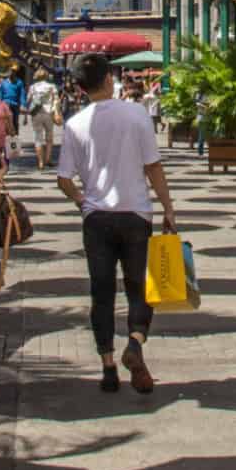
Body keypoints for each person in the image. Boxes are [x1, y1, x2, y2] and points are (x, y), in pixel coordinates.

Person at [55, 53, 176, 395]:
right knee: (140, 287)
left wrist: (82, 202)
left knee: (102, 292)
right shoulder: (137, 114)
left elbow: (63, 179)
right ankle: (135, 343)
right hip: (136, 213)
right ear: (110, 79)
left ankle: (108, 367)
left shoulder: (75, 124)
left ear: (79, 88)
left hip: (97, 218)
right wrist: (168, 207)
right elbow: (153, 166)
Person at [25, 68, 60, 171]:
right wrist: (56, 111)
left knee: (38, 137)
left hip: (36, 113)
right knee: (49, 137)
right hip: (48, 113)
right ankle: (48, 159)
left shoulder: (33, 87)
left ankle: (40, 162)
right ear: (46, 76)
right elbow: (56, 100)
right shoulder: (51, 86)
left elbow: (28, 100)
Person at [0, 69, 25, 143]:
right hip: (5, 105)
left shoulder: (19, 82)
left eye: (12, 72)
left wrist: (23, 104)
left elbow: (22, 94)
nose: (10, 74)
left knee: (15, 123)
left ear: (15, 73)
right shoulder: (3, 83)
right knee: (6, 123)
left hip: (15, 105)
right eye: (9, 72)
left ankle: (15, 141)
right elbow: (0, 95)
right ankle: (6, 141)